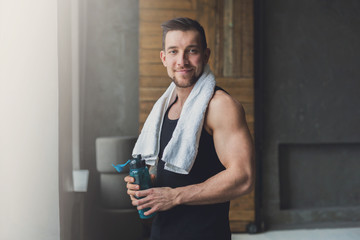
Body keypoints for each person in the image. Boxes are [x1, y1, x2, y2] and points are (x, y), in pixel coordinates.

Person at [125, 17, 254, 240]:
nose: (182, 61)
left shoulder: (220, 106)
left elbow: (244, 177)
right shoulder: (164, 107)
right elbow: (177, 171)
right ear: (163, 58)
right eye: (173, 51)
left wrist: (175, 196)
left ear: (205, 55)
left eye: (191, 51)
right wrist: (148, 184)